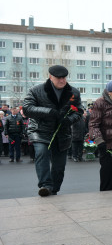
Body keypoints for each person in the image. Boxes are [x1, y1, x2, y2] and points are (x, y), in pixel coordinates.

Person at [23, 65, 83, 196]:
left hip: (62, 133)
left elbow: (79, 111)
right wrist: (49, 112)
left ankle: (53, 189)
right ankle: (45, 185)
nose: (62, 80)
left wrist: (69, 120)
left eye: (64, 78)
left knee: (59, 166)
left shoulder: (74, 92)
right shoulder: (36, 90)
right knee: (42, 153)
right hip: (40, 130)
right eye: (58, 78)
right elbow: (27, 108)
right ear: (50, 77)